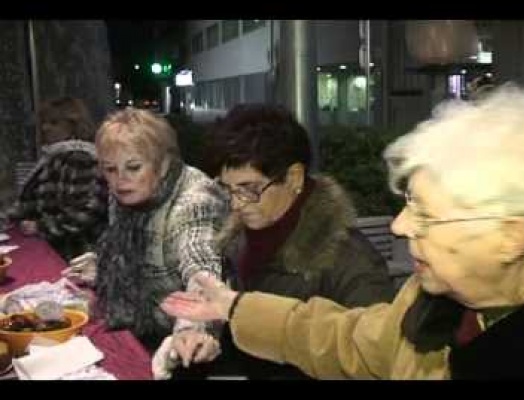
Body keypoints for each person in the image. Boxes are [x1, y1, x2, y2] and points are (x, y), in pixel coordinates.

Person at [160, 85, 524, 379]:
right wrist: (233, 307)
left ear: (512, 235)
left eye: (427, 214)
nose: (401, 227)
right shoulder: (437, 304)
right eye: (408, 205)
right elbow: (345, 337)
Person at [168, 104, 395, 379]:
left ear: (294, 177)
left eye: (250, 189)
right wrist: (205, 341)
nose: (237, 204)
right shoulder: (235, 245)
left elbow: (374, 360)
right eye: (227, 189)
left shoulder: (351, 261)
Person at [85, 108, 229, 370]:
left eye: (133, 167)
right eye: (110, 169)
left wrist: (192, 329)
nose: (120, 180)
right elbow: (128, 250)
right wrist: (101, 262)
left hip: (178, 341)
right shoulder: (129, 189)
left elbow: (201, 270)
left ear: (162, 164)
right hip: (141, 320)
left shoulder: (195, 202)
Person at [5, 97, 108, 260]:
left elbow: (84, 213)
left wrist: (40, 227)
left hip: (76, 254)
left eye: (54, 123)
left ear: (72, 125)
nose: (46, 128)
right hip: (54, 248)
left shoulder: (80, 158)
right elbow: (31, 202)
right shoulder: (53, 156)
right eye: (44, 123)